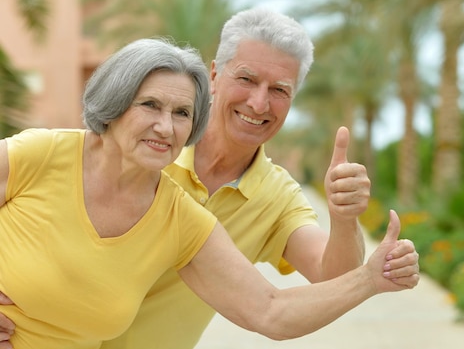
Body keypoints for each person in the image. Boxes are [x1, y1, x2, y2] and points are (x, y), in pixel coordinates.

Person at [0, 37, 419, 349]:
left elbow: (270, 310)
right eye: (150, 105)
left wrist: (370, 279)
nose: (166, 127)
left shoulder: (181, 219)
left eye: (182, 113)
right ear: (115, 103)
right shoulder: (43, 154)